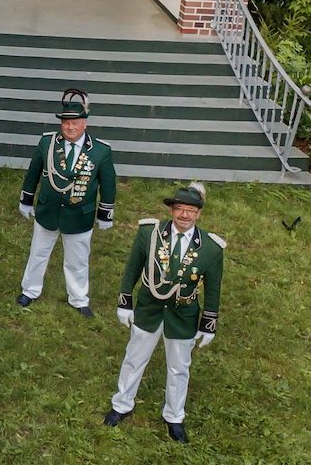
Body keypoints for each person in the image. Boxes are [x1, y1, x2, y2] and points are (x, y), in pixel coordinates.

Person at [104, 183, 224, 444]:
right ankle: (122, 404)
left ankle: (174, 416)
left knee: (179, 368)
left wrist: (209, 323)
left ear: (199, 214)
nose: (184, 216)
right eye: (180, 209)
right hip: (149, 308)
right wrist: (125, 301)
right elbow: (133, 267)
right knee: (134, 359)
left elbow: (213, 288)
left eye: (190, 211)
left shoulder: (211, 248)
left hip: (183, 316)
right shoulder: (150, 233)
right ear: (171, 210)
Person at [16, 89, 117, 317]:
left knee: (77, 260)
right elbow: (33, 172)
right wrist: (26, 200)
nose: (70, 127)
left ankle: (79, 298)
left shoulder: (101, 150)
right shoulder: (47, 143)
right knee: (38, 253)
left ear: (85, 123)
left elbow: (108, 184)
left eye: (75, 123)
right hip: (48, 211)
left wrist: (105, 214)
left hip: (80, 214)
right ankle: (30, 290)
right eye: (66, 123)